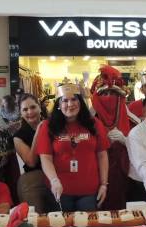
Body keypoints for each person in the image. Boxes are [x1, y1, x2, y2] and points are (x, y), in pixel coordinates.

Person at [36, 83, 110, 212]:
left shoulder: (94, 124)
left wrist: (104, 184)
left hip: (89, 191)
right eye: (65, 100)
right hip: (59, 190)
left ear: (80, 102)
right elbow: (45, 158)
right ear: (58, 105)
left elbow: (102, 155)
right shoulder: (48, 126)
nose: (70, 104)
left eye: (74, 99)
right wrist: (54, 180)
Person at [90, 65, 139, 210]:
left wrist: (126, 141)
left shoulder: (134, 121)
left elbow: (144, 148)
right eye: (104, 94)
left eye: (113, 93)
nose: (109, 98)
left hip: (126, 178)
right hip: (96, 176)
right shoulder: (87, 121)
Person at [14, 93, 57, 213]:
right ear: (21, 113)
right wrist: (39, 131)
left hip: (57, 175)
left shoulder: (53, 126)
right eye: (25, 109)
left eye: (33, 107)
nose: (30, 112)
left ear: (39, 107)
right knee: (36, 218)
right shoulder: (18, 136)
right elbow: (31, 162)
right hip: (33, 180)